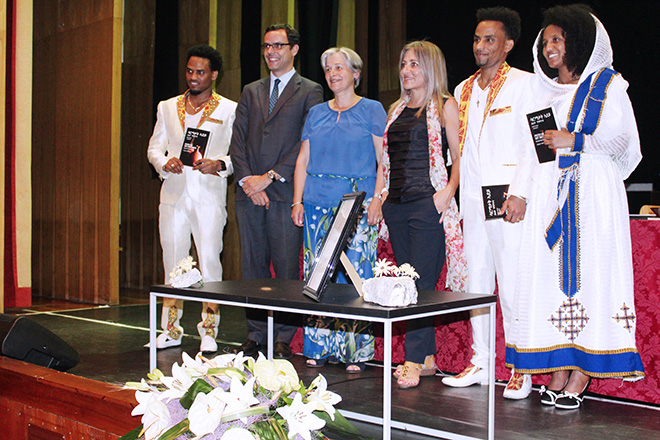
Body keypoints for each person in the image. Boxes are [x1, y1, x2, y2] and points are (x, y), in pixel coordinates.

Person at [505, 4, 645, 410]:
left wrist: (576, 141)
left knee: (593, 274)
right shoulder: (542, 91)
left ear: (578, 42)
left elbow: (624, 142)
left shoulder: (608, 85)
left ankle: (583, 371)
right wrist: (520, 192)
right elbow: (531, 151)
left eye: (558, 39)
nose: (550, 47)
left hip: (594, 195)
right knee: (550, 279)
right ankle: (559, 366)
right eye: (546, 40)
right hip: (550, 195)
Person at [440, 7, 534, 399]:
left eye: (490, 39)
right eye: (477, 39)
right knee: (475, 283)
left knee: (512, 283)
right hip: (473, 201)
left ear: (508, 44)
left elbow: (536, 143)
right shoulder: (463, 89)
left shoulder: (526, 84)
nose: (481, 46)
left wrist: (521, 191)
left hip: (507, 197)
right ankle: (482, 361)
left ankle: (520, 367)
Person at [229, 24, 324, 359]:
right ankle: (256, 333)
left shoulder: (310, 90)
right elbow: (237, 140)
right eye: (267, 46)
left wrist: (268, 177)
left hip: (284, 192)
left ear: (294, 49)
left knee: (285, 270)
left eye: (278, 45)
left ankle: (283, 336)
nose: (271, 52)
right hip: (249, 194)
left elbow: (306, 142)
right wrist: (247, 181)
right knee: (252, 269)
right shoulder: (251, 90)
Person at [291, 47, 387, 373]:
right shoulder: (316, 113)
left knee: (355, 274)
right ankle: (317, 346)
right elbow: (302, 160)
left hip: (357, 204)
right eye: (328, 69)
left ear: (355, 74)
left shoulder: (371, 109)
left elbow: (383, 159)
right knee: (317, 274)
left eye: (339, 68)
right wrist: (297, 200)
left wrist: (378, 198)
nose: (332, 74)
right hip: (316, 203)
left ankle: (353, 350)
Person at [380, 41, 468, 389]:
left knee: (420, 284)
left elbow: (459, 157)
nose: (406, 70)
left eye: (415, 64)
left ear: (431, 68)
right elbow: (385, 161)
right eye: (404, 64)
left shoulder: (445, 105)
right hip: (396, 206)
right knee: (407, 283)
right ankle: (428, 358)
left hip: (426, 204)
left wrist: (448, 192)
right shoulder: (396, 110)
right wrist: (381, 196)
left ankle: (413, 360)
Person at [146, 45, 236, 353]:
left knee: (209, 262)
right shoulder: (167, 106)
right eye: (189, 71)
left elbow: (238, 155)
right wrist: (164, 162)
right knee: (173, 263)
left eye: (200, 72)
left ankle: (208, 331)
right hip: (173, 194)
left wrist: (218, 164)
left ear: (214, 74)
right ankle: (170, 329)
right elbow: (154, 148)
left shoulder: (230, 109)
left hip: (209, 197)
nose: (194, 77)